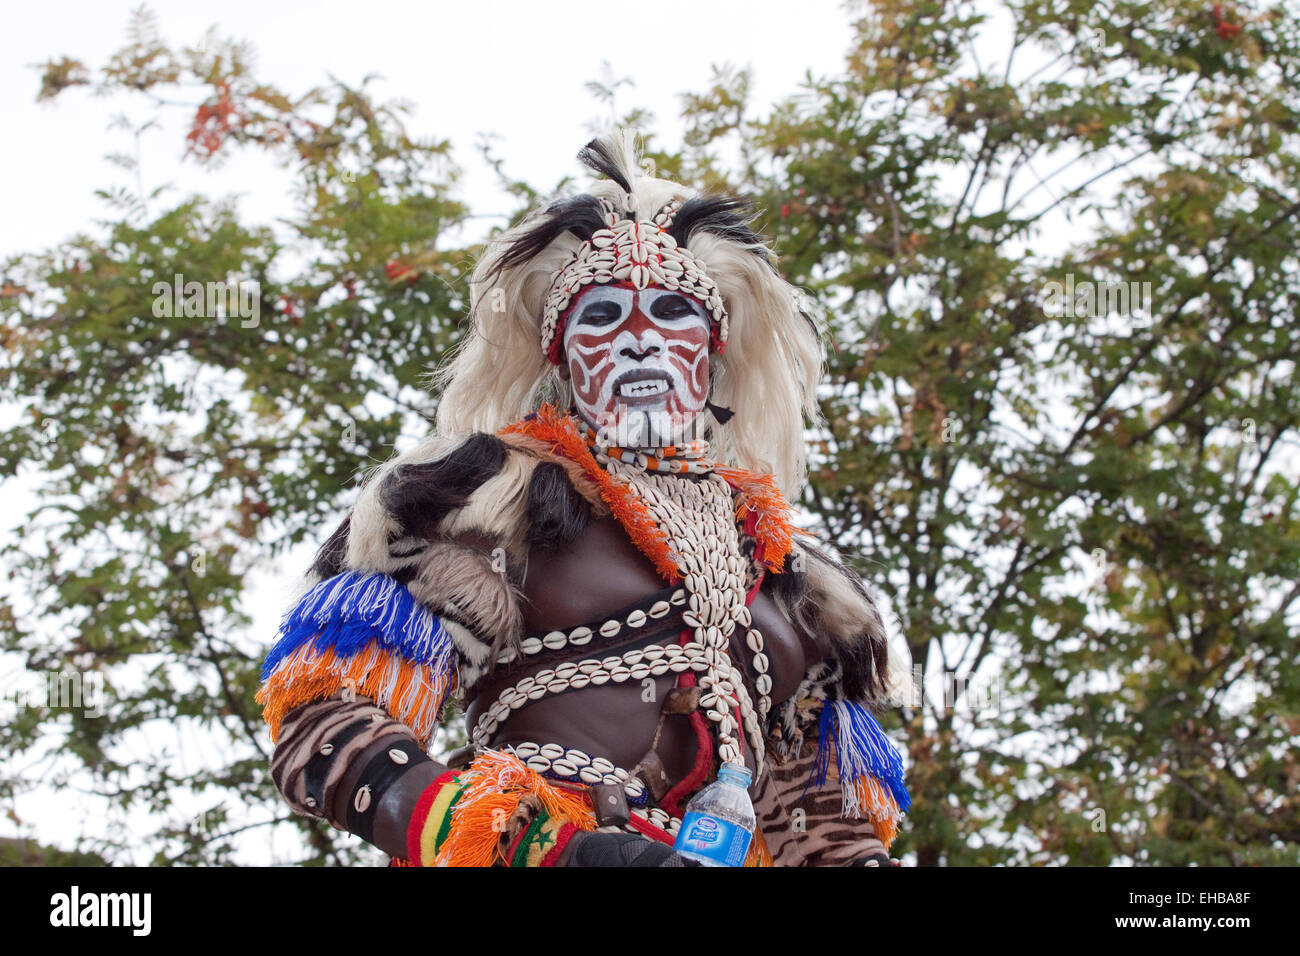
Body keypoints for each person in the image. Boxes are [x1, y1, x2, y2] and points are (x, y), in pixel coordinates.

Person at [257, 130, 911, 866]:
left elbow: (826, 831)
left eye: (671, 313)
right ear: (560, 356)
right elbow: (325, 722)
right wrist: (548, 851)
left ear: (712, 350)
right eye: (602, 317)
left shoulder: (799, 586)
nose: (640, 339)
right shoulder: (488, 497)